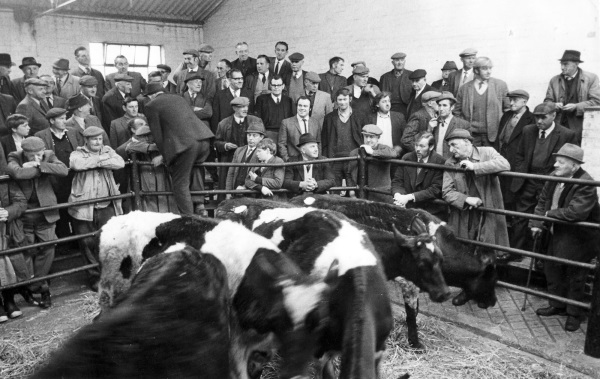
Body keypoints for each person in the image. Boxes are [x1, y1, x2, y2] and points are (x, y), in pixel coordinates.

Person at [531, 144, 600, 331]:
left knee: (575, 275)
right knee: (551, 267)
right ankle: (557, 304)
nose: (555, 165)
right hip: (557, 231)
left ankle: (574, 313)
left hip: (579, 237)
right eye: (556, 161)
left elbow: (575, 213)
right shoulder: (554, 178)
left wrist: (548, 215)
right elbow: (543, 201)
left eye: (561, 162)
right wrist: (536, 224)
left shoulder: (586, 183)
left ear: (575, 167)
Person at [508, 102, 577, 263]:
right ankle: (515, 252)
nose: (539, 121)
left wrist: (554, 179)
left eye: (543, 117)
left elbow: (569, 163)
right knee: (520, 216)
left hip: (549, 182)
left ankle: (539, 258)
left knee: (545, 217)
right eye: (536, 117)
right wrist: (521, 174)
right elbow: (520, 155)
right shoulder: (528, 130)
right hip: (528, 180)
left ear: (554, 115)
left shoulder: (566, 134)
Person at [8, 136, 68, 308]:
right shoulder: (14, 156)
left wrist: (39, 165)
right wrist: (45, 169)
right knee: (28, 251)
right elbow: (17, 172)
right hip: (24, 215)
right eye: (31, 156)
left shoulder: (48, 154)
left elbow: (63, 170)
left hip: (46, 212)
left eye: (39, 155)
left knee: (49, 247)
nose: (36, 158)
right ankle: (42, 288)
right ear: (24, 152)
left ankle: (35, 285)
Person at [145, 83, 214, 215]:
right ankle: (199, 205)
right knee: (194, 168)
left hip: (185, 145)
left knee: (180, 184)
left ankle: (188, 220)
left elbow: (157, 135)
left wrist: (164, 156)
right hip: (204, 140)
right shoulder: (179, 98)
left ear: (151, 95)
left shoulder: (151, 105)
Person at [69, 126, 124, 291]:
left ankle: (111, 275)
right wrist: (101, 160)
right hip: (85, 206)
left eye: (100, 139)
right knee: (87, 242)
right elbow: (77, 165)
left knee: (108, 240)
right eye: (94, 139)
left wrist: (97, 160)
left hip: (107, 203)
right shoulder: (77, 153)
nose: (98, 142)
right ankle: (94, 277)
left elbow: (119, 162)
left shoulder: (108, 150)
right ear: (86, 140)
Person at [442, 129, 510, 260]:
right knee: (464, 253)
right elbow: (446, 192)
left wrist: (475, 167)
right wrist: (466, 199)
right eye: (449, 146)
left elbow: (505, 164)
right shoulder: (450, 163)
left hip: (488, 211)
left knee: (488, 253)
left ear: (467, 142)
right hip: (465, 213)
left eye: (454, 145)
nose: (451, 150)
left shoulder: (487, 152)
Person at [35, 108, 79, 239]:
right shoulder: (40, 135)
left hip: (73, 177)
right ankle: (63, 240)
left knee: (75, 208)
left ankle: (77, 239)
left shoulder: (73, 132)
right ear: (51, 120)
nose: (64, 121)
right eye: (61, 119)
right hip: (54, 180)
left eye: (65, 118)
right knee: (59, 210)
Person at [544, 50, 600, 144]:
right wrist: (554, 105)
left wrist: (576, 107)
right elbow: (547, 102)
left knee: (576, 154)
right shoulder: (554, 80)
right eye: (561, 64)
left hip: (582, 126)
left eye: (565, 64)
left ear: (576, 64)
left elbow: (596, 102)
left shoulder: (591, 78)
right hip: (559, 125)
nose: (562, 67)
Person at [454, 57, 510, 147]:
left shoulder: (500, 85)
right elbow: (456, 112)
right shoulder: (464, 88)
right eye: (484, 68)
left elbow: (508, 110)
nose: (489, 71)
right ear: (476, 70)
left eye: (490, 68)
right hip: (471, 137)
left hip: (493, 136)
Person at [214, 96, 263, 196]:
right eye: (242, 107)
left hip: (252, 159)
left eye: (247, 106)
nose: (245, 109)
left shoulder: (256, 121)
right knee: (228, 185)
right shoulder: (223, 124)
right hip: (229, 159)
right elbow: (216, 142)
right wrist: (225, 145)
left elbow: (264, 140)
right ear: (235, 108)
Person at [124, 125, 178, 213]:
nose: (146, 138)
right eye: (142, 136)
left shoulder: (165, 144)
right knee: (148, 209)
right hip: (145, 182)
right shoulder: (134, 145)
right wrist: (153, 147)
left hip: (162, 181)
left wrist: (163, 157)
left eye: (149, 135)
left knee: (166, 206)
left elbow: (176, 151)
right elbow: (129, 147)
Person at [392, 132, 446, 220]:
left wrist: (409, 197)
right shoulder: (407, 158)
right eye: (416, 145)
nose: (417, 149)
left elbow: (435, 189)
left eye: (422, 146)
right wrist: (398, 196)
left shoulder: (440, 162)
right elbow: (397, 181)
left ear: (431, 147)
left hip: (431, 212)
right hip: (407, 207)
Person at [497, 90, 536, 208]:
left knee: (515, 191)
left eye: (515, 100)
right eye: (510, 100)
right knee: (502, 189)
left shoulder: (532, 118)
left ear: (525, 101)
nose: (511, 102)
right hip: (503, 157)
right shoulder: (507, 115)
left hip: (518, 160)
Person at [322, 88, 366, 187]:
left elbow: (363, 138)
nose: (342, 102)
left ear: (350, 99)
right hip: (335, 160)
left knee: (354, 188)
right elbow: (324, 141)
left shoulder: (360, 116)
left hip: (353, 159)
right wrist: (326, 159)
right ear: (336, 101)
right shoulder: (329, 118)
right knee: (335, 189)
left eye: (345, 99)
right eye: (340, 100)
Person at [0, 176, 28, 321]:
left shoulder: (4, 179)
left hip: (4, 231)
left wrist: (7, 212)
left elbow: (21, 202)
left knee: (5, 264)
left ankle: (9, 301)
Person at [346, 124, 397, 202]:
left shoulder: (384, 148)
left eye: (371, 137)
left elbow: (393, 153)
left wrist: (373, 152)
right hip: (362, 194)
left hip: (382, 195)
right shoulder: (355, 153)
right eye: (366, 136)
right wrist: (351, 191)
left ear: (378, 138)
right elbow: (349, 173)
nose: (368, 140)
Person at [283, 133, 335, 198]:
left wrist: (316, 184)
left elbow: (331, 180)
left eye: (316, 146)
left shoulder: (324, 160)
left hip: (319, 198)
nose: (316, 149)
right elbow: (286, 182)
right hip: (298, 199)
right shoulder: (292, 161)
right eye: (312, 146)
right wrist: (301, 184)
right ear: (303, 150)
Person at [428, 91, 470, 158]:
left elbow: (467, 149)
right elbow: (427, 144)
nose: (441, 109)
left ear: (452, 107)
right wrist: (429, 130)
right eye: (439, 105)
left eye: (445, 105)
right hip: (435, 163)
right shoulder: (433, 123)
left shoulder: (463, 124)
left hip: (452, 163)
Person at [211, 69, 254, 133]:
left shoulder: (249, 94)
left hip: (244, 132)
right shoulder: (219, 95)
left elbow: (251, 115)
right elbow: (215, 118)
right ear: (229, 80)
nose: (240, 81)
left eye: (241, 78)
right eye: (237, 79)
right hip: (226, 132)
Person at [279, 96, 321, 162]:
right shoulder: (286, 123)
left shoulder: (316, 123)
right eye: (300, 105)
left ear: (310, 108)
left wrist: (317, 160)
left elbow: (319, 144)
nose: (302, 108)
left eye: (305, 106)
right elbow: (281, 144)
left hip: (312, 161)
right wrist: (287, 160)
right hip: (293, 161)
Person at [226, 123, 265, 194]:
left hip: (251, 192)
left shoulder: (262, 153)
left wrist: (245, 187)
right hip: (235, 189)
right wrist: (228, 192)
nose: (250, 138)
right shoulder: (239, 150)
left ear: (261, 137)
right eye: (249, 135)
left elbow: (260, 175)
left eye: (254, 135)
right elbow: (231, 173)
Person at [367, 91, 407, 157]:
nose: (387, 104)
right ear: (377, 104)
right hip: (375, 155)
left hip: (394, 156)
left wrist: (400, 148)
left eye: (388, 101)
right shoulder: (370, 118)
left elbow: (405, 137)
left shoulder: (399, 117)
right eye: (384, 101)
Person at [254, 74, 293, 142]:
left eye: (279, 85)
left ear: (283, 86)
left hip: (284, 135)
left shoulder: (288, 100)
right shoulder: (261, 99)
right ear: (270, 86)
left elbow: (291, 120)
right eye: (274, 85)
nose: (276, 87)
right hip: (267, 134)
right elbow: (258, 120)